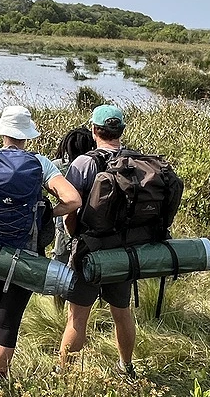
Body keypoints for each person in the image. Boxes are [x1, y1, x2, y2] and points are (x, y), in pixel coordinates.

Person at [0, 105, 82, 382]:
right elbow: (73, 200)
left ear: (2, 132)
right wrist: (46, 213)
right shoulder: (41, 164)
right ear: (27, 135)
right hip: (25, 252)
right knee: (9, 319)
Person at [58, 105, 138, 378]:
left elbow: (70, 210)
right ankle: (126, 367)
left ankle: (64, 375)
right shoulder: (135, 160)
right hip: (125, 250)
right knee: (122, 312)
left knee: (77, 316)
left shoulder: (83, 163)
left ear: (94, 130)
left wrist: (75, 237)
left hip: (89, 249)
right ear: (121, 130)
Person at [49, 127, 96, 309]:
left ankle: (58, 307)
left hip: (63, 222)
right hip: (89, 223)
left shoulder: (58, 165)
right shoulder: (94, 163)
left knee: (60, 265)